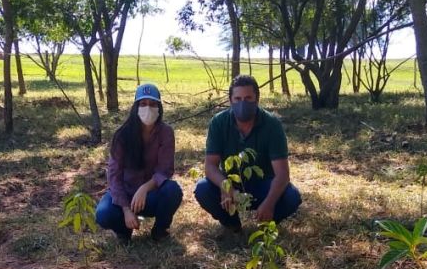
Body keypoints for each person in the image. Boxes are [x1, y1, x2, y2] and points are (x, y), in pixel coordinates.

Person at [194, 75, 302, 232]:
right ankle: (232, 224)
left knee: (291, 197)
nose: (242, 103)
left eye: (248, 98)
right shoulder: (218, 123)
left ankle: (266, 224)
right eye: (237, 99)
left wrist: (269, 203)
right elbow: (210, 166)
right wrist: (226, 187)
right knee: (203, 189)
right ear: (230, 101)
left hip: (264, 185)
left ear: (257, 99)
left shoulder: (272, 124)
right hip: (233, 182)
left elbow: (283, 174)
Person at [96, 83, 182, 244]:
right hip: (126, 193)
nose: (147, 108)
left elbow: (165, 170)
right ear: (135, 107)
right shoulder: (122, 135)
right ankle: (123, 231)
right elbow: (114, 175)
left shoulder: (166, 132)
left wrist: (145, 188)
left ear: (159, 108)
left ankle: (159, 230)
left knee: (173, 190)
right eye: (143, 104)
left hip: (151, 194)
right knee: (103, 214)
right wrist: (126, 209)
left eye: (152, 104)